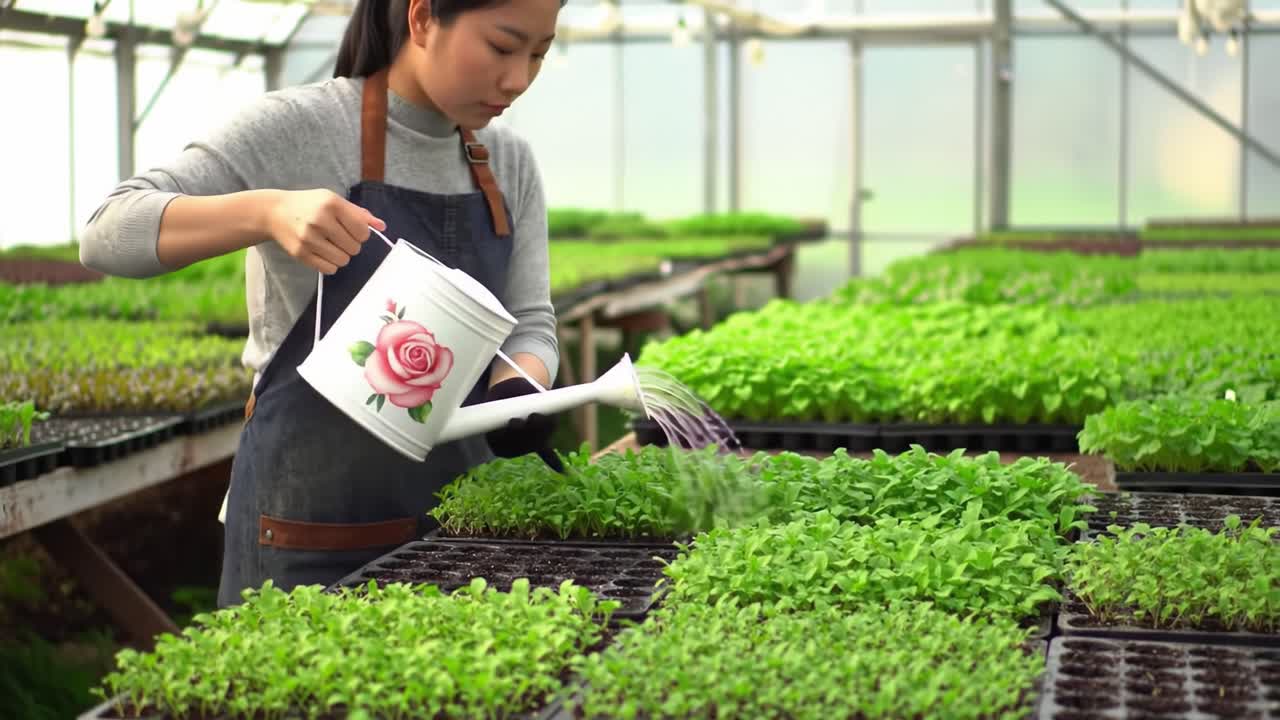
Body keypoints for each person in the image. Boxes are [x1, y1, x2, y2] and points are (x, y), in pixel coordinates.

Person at [79, 0, 567, 608]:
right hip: (312, 530)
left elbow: (531, 320)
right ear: (421, 19)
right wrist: (267, 210)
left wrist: (521, 384)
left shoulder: (507, 161)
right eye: (502, 46)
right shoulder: (299, 127)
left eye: (539, 53)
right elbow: (106, 232)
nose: (518, 79)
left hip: (470, 529)